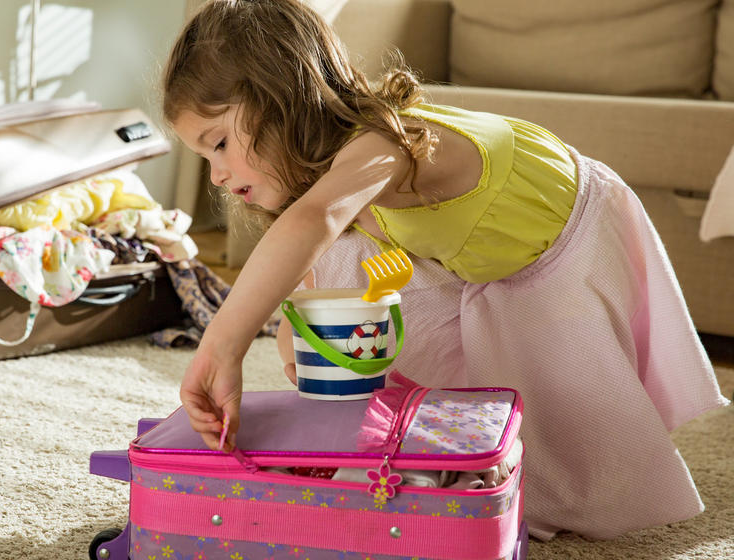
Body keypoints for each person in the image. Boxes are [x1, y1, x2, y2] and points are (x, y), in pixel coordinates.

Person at [162, 0, 729, 540]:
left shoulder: (386, 142)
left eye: (220, 143)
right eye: (204, 157)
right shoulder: (332, 185)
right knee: (343, 266)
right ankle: (408, 435)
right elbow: (310, 251)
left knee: (564, 479)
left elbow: (313, 220)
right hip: (477, 258)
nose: (216, 175)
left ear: (279, 97)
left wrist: (222, 347)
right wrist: (299, 331)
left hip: (568, 237)